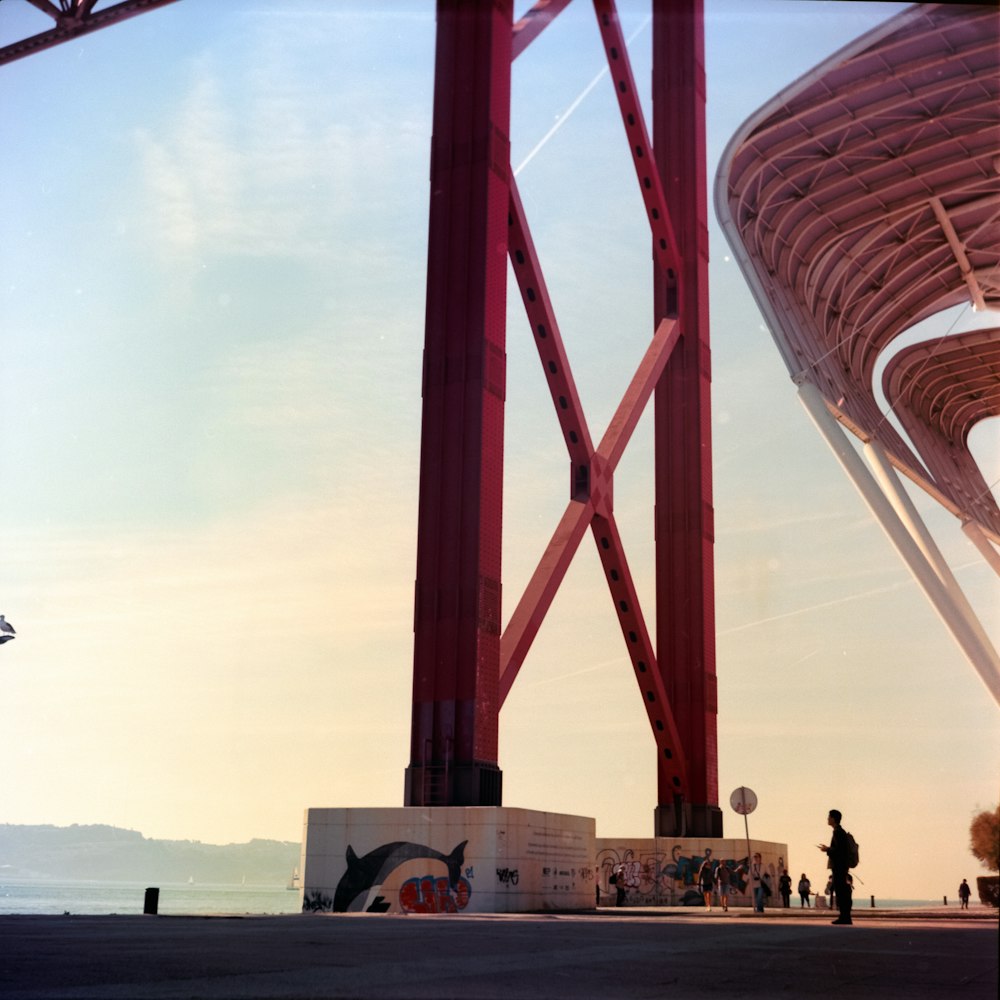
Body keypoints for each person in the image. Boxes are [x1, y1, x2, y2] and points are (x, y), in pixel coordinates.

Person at [818, 808, 853, 925]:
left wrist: (827, 849)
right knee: (842, 891)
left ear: (834, 819)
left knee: (841, 891)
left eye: (829, 817)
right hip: (842, 866)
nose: (827, 819)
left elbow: (838, 851)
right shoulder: (840, 831)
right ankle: (845, 916)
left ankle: (844, 917)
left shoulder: (837, 832)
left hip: (839, 866)